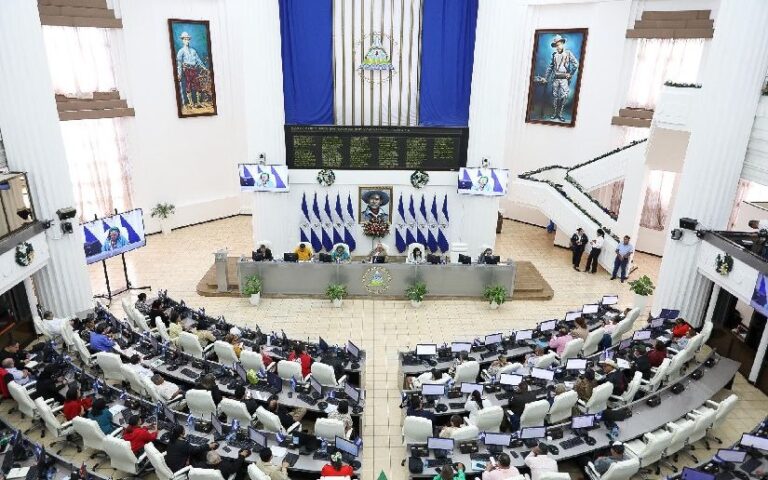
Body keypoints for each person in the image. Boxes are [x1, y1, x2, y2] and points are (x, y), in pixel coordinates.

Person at [538, 34, 579, 122]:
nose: (558, 47)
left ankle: (560, 114)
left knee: (564, 96)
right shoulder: (554, 55)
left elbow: (575, 64)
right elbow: (550, 67)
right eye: (556, 45)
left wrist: (570, 74)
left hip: (564, 79)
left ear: (562, 43)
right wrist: (546, 78)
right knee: (555, 96)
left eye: (559, 44)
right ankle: (555, 113)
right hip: (555, 78)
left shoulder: (568, 53)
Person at [176, 31, 209, 109]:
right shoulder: (181, 51)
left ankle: (198, 102)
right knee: (188, 85)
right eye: (185, 39)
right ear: (182, 40)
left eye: (187, 39)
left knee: (198, 85)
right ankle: (191, 104)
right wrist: (179, 74)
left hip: (194, 69)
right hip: (187, 70)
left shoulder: (193, 51)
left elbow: (198, 60)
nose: (186, 41)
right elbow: (179, 64)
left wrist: (204, 68)